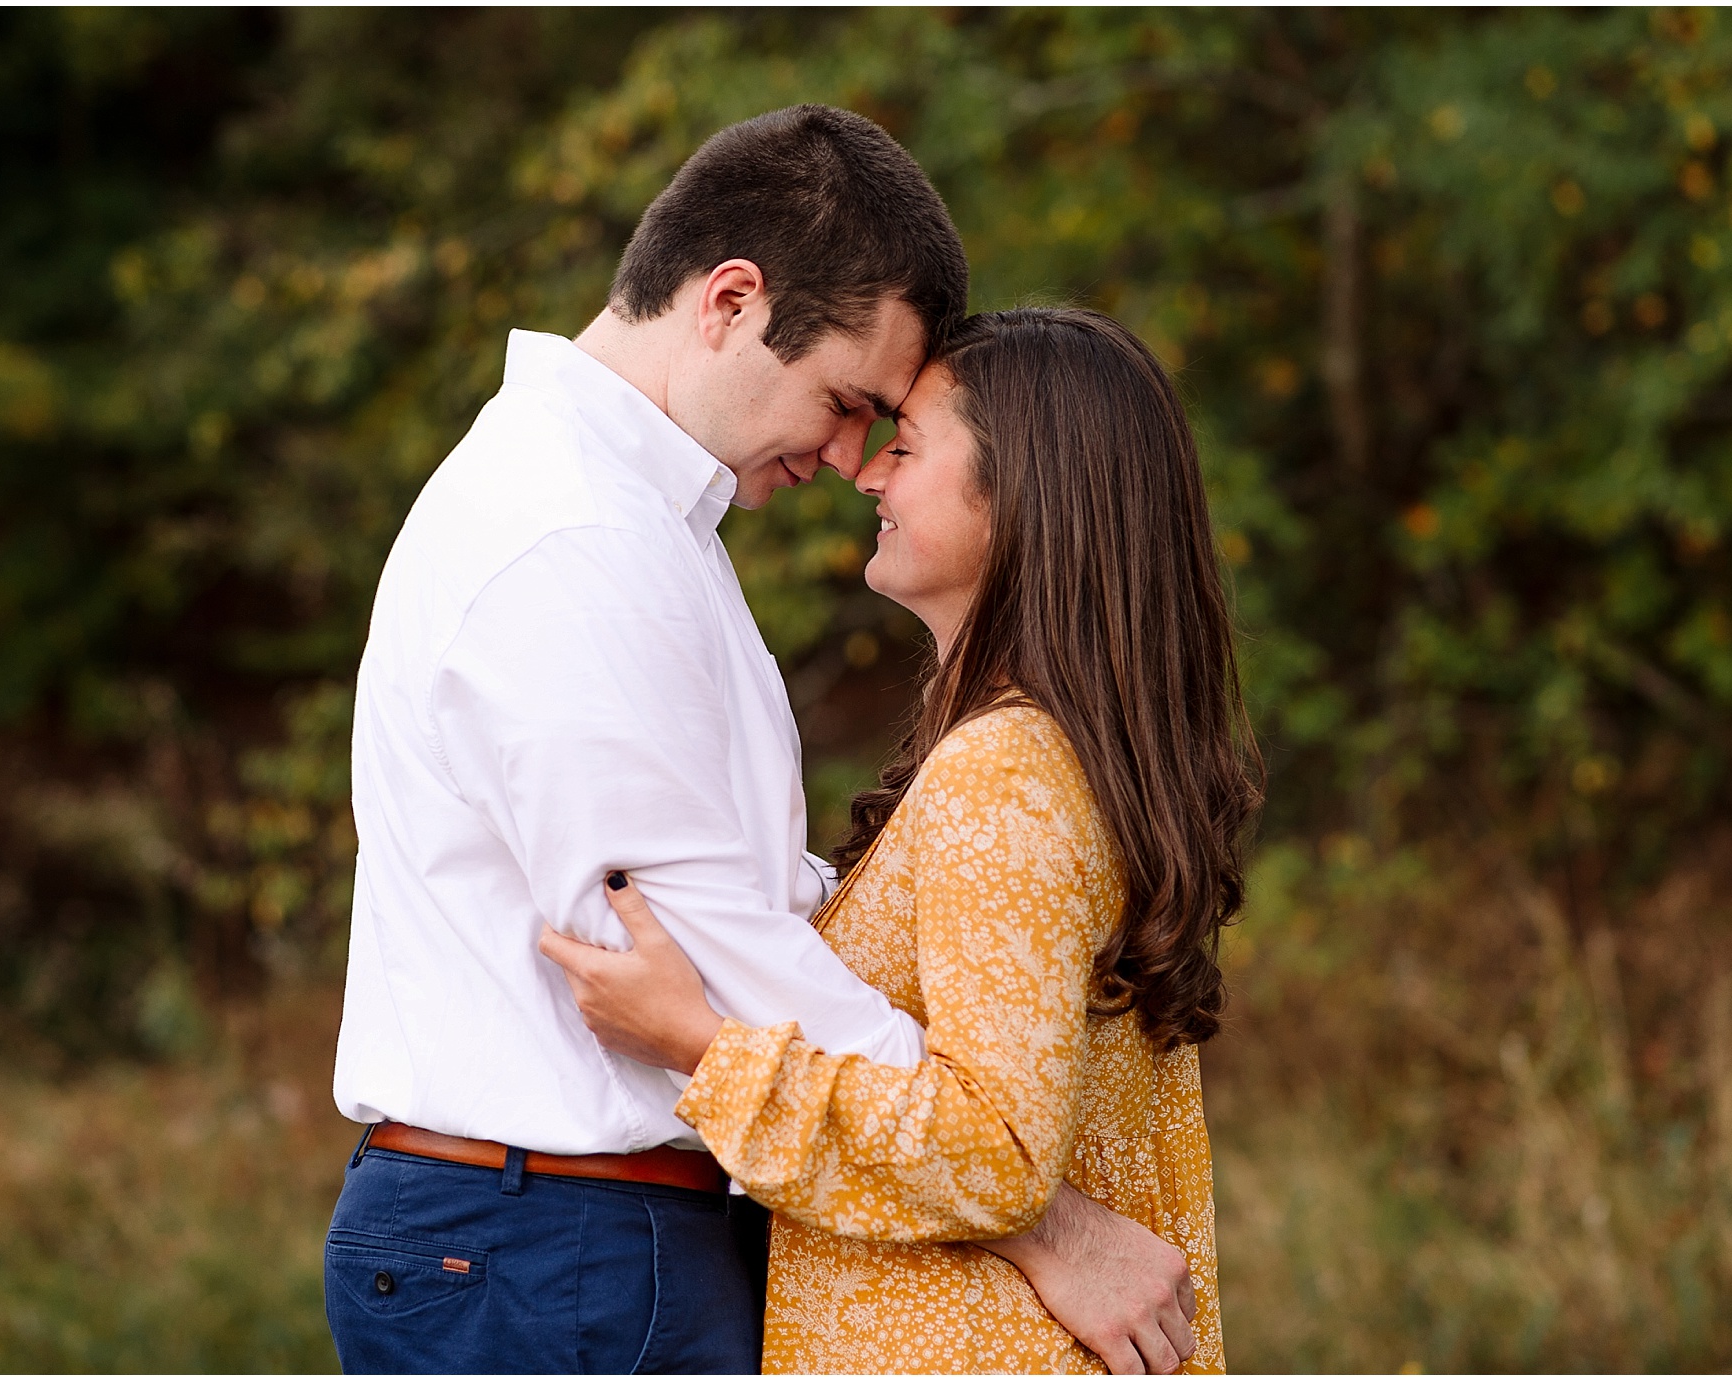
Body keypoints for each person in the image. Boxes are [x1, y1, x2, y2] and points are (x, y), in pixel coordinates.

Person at [326, 106, 1197, 1375]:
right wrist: (1038, 1216)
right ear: (730, 300)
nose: (849, 458)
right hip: (550, 1244)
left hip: (579, 1232)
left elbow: (759, 911)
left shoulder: (640, 525)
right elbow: (694, 949)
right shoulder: (573, 538)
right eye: (847, 403)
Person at [541, 307, 1265, 1373]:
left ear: (1022, 494)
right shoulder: (1041, 760)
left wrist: (701, 1046)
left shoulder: (1003, 775)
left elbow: (994, 1150)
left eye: (908, 446)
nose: (867, 475)